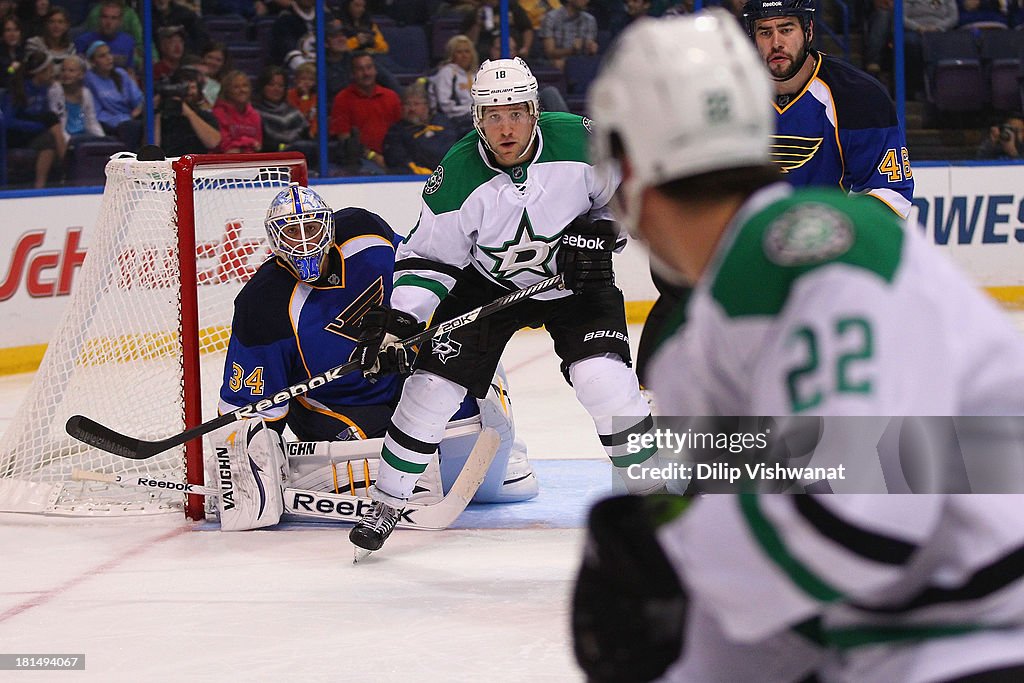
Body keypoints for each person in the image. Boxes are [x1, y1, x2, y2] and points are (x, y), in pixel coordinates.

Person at [574, 11, 1024, 682]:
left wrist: (682, 552)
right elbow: (806, 501)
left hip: (984, 641)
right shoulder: (691, 343)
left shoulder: (831, 255)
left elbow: (859, 520)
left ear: (629, 170)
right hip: (878, 646)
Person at [348, 56, 662, 553]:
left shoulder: (582, 140)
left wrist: (601, 231)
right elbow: (429, 257)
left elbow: (634, 193)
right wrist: (401, 320)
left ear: (535, 111)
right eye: (493, 115)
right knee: (429, 389)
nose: (506, 126)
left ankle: (655, 494)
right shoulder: (456, 175)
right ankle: (387, 501)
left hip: (574, 278)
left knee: (604, 383)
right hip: (486, 285)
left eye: (516, 112)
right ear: (477, 120)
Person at [214, 184, 538, 529]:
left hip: (401, 377)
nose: (305, 241)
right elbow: (251, 406)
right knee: (379, 467)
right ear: (274, 239)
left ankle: (502, 454)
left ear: (329, 225)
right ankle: (326, 476)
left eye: (312, 228)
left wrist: (408, 339)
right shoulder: (261, 304)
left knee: (465, 383)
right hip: (336, 405)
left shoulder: (365, 232)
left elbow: (420, 277)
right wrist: (240, 474)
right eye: (292, 232)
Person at [636, 0, 917, 382]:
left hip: (817, 250)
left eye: (786, 29)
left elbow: (889, 191)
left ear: (809, 32)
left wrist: (834, 246)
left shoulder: (858, 98)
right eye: (764, 32)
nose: (776, 42)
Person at [328, 51, 402, 174]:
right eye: (360, 69)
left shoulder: (391, 96)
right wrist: (373, 156)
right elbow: (345, 138)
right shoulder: (343, 99)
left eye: (369, 68)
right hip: (361, 159)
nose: (366, 73)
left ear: (376, 70)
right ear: (352, 74)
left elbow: (401, 131)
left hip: (391, 156)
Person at [383, 80, 461, 174]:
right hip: (418, 178)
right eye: (407, 104)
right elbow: (398, 158)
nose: (412, 109)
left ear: (427, 106)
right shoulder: (396, 132)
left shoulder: (444, 122)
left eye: (416, 104)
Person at [84, 40, 144, 150]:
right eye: (102, 56)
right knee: (130, 127)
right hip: (110, 125)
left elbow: (138, 99)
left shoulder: (121, 74)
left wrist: (139, 108)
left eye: (109, 53)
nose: (109, 58)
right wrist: (125, 118)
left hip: (132, 119)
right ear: (92, 62)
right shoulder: (89, 79)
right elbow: (96, 112)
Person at [154, 66, 221, 157]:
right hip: (167, 163)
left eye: (193, 87)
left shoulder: (204, 115)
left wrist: (187, 112)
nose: (189, 92)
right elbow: (152, 147)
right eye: (185, 88)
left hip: (196, 164)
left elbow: (213, 142)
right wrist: (156, 110)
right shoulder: (161, 116)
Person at [427, 34, 477, 136]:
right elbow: (445, 105)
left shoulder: (476, 74)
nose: (464, 56)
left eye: (467, 51)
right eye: (459, 52)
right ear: (452, 54)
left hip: (475, 117)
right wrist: (471, 109)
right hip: (454, 121)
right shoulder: (446, 73)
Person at [73, 0, 137, 72]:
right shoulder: (82, 41)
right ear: (99, 19)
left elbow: (130, 71)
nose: (108, 22)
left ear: (120, 21)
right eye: (105, 17)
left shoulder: (128, 41)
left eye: (114, 18)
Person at [538, 0, 599, 71]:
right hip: (553, 60)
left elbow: (588, 47)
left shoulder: (590, 20)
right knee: (559, 64)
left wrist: (591, 49)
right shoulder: (551, 18)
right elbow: (549, 53)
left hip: (580, 62)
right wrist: (572, 50)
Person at [212, 69, 262, 154]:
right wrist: (249, 142)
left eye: (245, 86)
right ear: (227, 91)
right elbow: (224, 146)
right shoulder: (219, 113)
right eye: (236, 87)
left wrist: (240, 145)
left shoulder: (255, 115)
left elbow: (258, 145)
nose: (242, 90)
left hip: (250, 160)